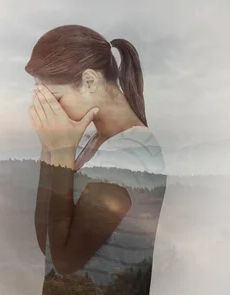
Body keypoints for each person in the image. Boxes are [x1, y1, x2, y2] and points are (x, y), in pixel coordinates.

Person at [25, 25, 167, 294]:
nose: (50, 111)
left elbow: (62, 263)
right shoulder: (98, 141)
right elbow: (47, 242)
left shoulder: (128, 153)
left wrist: (63, 154)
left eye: (54, 99)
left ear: (89, 81)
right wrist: (50, 148)